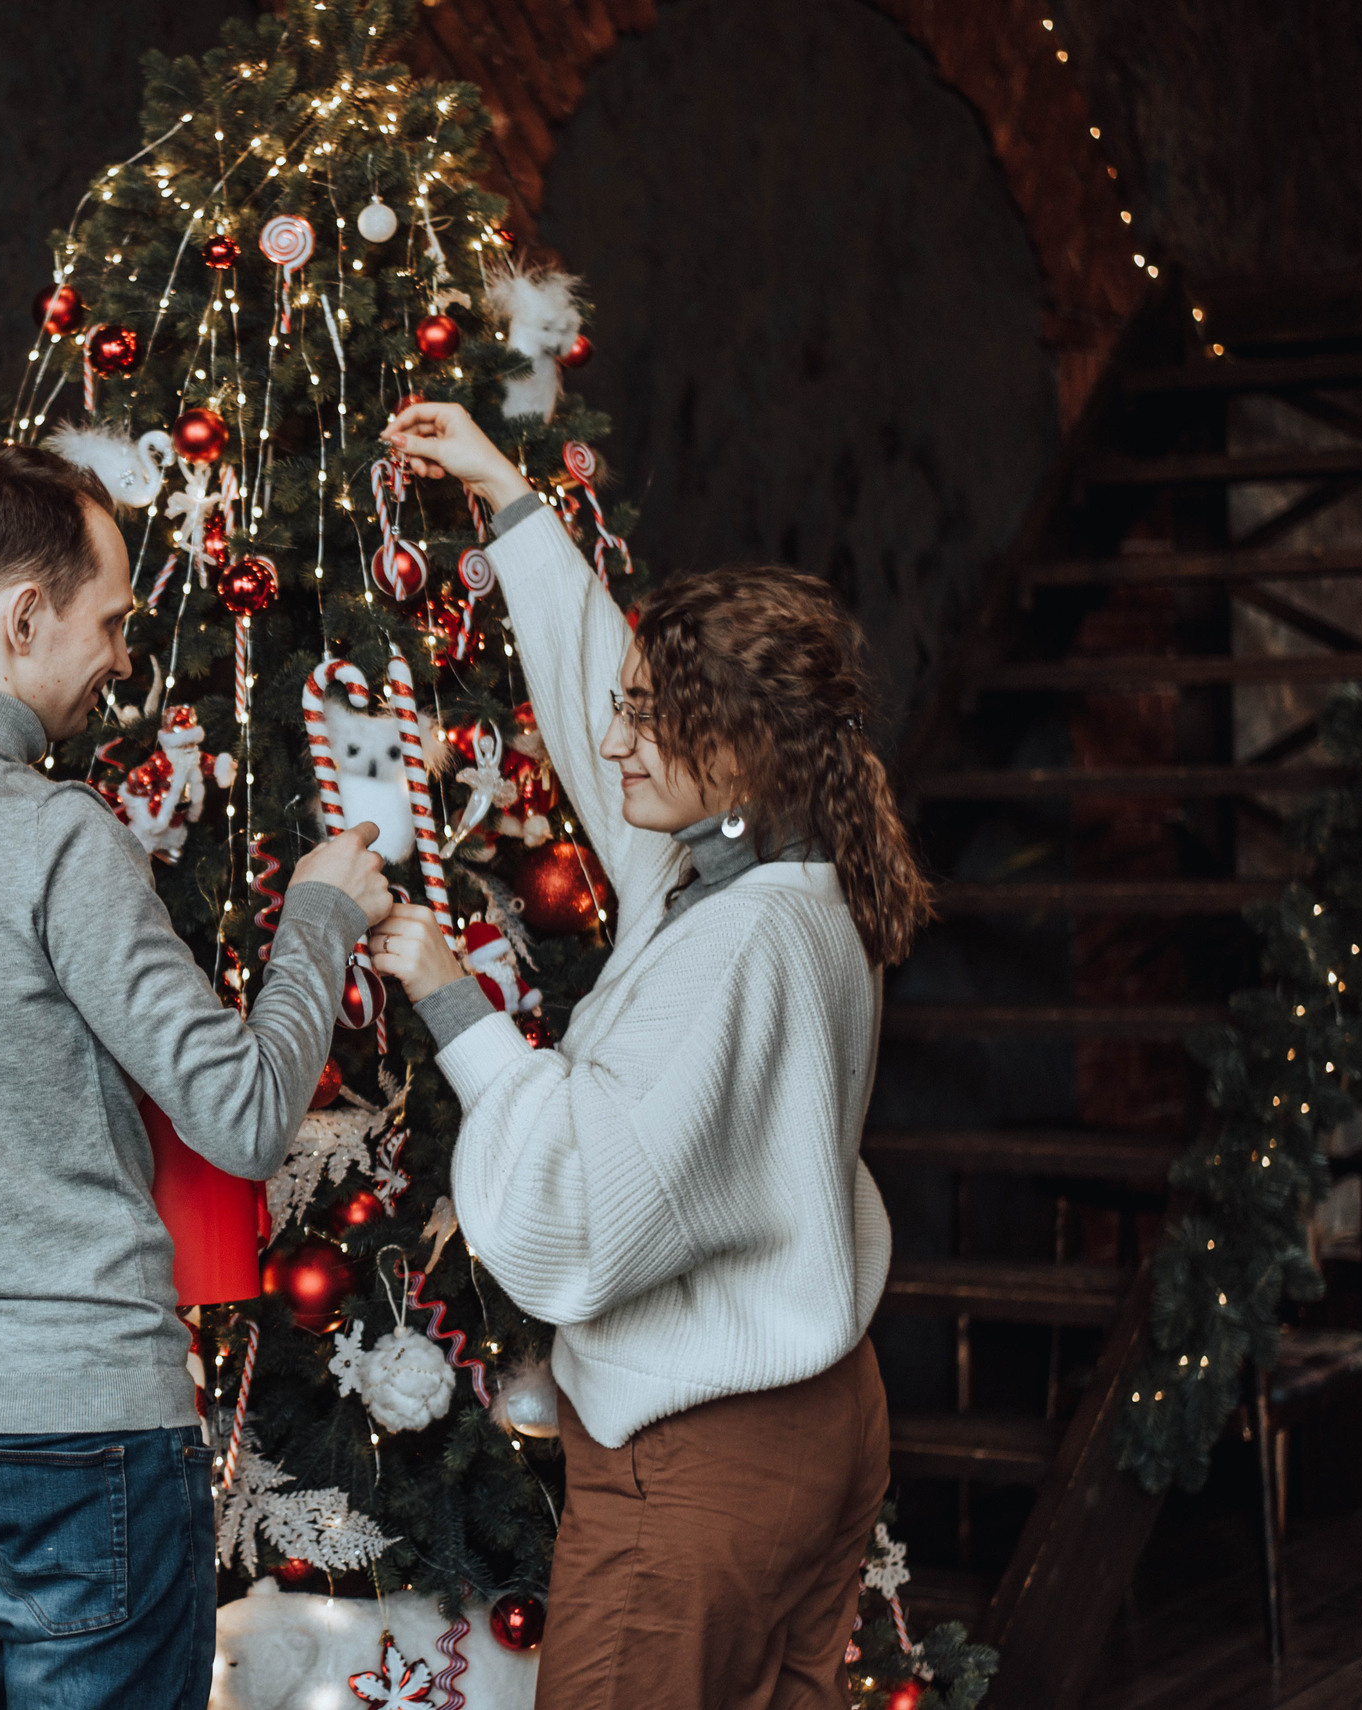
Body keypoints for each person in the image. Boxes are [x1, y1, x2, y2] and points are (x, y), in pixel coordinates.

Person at [0, 437, 393, 1710]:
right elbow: (248, 1116)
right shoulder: (57, 839)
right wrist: (318, 913)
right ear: (22, 614)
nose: (118, 658)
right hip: (83, 1439)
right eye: (109, 622)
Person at [366, 401, 930, 1709]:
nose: (611, 742)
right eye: (624, 712)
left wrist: (449, 994)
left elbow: (584, 1196)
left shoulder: (738, 945)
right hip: (819, 1424)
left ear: (734, 748)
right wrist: (506, 493)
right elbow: (589, 683)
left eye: (648, 722)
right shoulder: (781, 868)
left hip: (698, 1466)